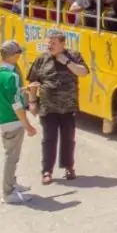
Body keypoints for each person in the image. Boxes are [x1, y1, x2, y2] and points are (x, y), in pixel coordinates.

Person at [27, 29, 90, 185]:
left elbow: (83, 72)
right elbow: (33, 82)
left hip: (68, 107)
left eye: (53, 43)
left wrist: (66, 61)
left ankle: (69, 167)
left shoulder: (73, 56)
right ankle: (47, 170)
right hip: (48, 108)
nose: (49, 45)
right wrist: (33, 102)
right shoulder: (42, 59)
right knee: (49, 139)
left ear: (63, 43)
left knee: (68, 139)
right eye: (48, 42)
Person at [0, 40, 37, 204]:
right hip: (13, 121)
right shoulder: (12, 76)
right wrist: (28, 126)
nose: (20, 55)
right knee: (12, 158)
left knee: (10, 155)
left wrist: (24, 89)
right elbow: (16, 104)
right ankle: (8, 192)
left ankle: (12, 183)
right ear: (12, 55)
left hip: (2, 119)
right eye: (18, 52)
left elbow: (4, 94)